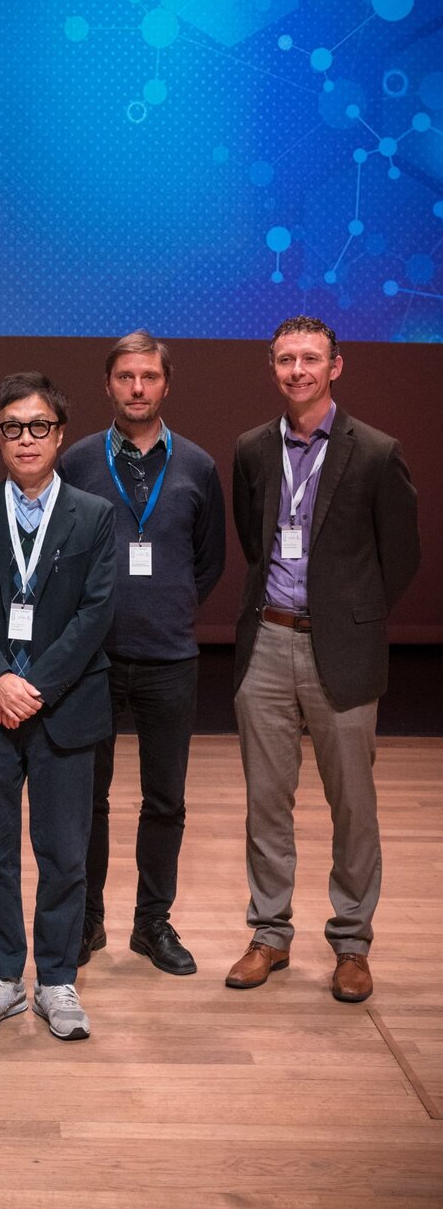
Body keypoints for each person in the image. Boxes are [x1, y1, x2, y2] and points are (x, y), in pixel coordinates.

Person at [227, 316, 420, 1002]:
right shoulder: (253, 448)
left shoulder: (376, 451)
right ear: (272, 367)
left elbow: (401, 556)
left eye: (311, 358)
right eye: (286, 359)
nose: (298, 370)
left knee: (353, 805)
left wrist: (350, 614)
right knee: (266, 802)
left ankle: (352, 942)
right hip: (266, 643)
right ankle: (269, 934)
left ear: (335, 366)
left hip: (342, 647)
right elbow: (255, 541)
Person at [0, 373, 115, 1041]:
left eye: (39, 426)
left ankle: (58, 979)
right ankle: (5, 974)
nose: (26, 439)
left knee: (65, 853)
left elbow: (95, 612)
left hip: (62, 708)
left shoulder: (94, 514)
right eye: (12, 427)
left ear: (59, 434)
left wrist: (32, 686)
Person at [60, 332, 225, 976]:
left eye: (149, 377)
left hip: (169, 659)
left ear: (165, 384)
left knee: (165, 800)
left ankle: (151, 923)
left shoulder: (198, 465)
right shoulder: (77, 461)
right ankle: (88, 917)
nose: (137, 388)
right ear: (108, 385)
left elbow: (207, 562)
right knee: (88, 798)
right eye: (125, 376)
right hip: (92, 659)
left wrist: (167, 605)